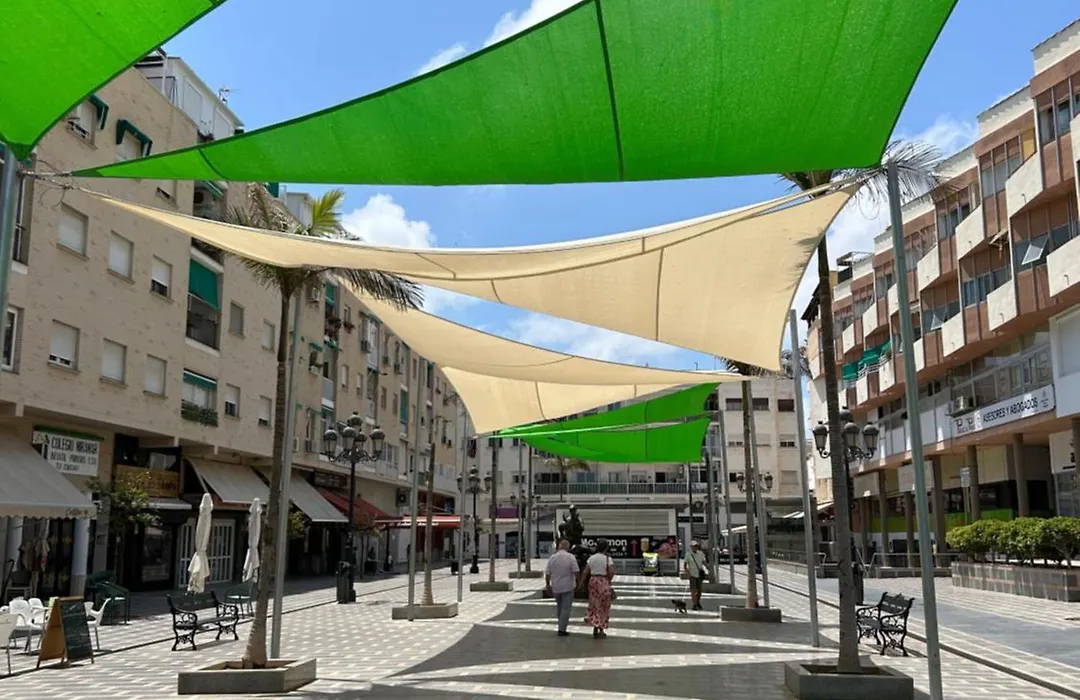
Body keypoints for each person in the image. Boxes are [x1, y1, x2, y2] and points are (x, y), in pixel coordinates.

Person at [544, 539, 580, 636]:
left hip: (556, 586)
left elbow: (547, 573)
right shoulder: (571, 557)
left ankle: (560, 624)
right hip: (568, 586)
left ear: (559, 546)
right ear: (568, 547)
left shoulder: (552, 558)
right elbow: (576, 571)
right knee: (566, 608)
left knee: (559, 607)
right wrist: (578, 582)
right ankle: (562, 629)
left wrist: (547, 584)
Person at [581, 538, 615, 638]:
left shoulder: (592, 558)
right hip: (603, 581)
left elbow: (585, 571)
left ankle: (595, 625)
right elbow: (612, 571)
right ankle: (601, 628)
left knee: (594, 604)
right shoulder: (607, 559)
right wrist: (609, 580)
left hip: (593, 580)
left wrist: (581, 583)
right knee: (604, 605)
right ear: (606, 547)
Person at [683, 540, 708, 611]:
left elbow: (704, 562)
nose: (695, 547)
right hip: (692, 575)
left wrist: (708, 569)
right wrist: (688, 573)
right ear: (691, 547)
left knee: (699, 591)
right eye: (694, 546)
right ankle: (694, 604)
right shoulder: (688, 554)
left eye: (696, 546)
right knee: (693, 591)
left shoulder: (701, 553)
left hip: (699, 575)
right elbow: (685, 565)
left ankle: (698, 602)